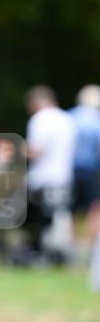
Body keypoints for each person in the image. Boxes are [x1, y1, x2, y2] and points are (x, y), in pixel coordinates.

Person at [23, 85, 76, 262]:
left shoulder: (40, 119)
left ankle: (39, 253)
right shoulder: (67, 119)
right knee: (60, 216)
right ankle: (60, 254)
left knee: (39, 220)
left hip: (42, 179)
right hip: (64, 176)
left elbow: (35, 150)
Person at [68, 84, 100, 217]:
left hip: (69, 168)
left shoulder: (70, 116)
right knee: (93, 205)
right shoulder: (96, 119)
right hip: (91, 169)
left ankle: (72, 236)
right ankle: (91, 237)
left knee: (72, 207)